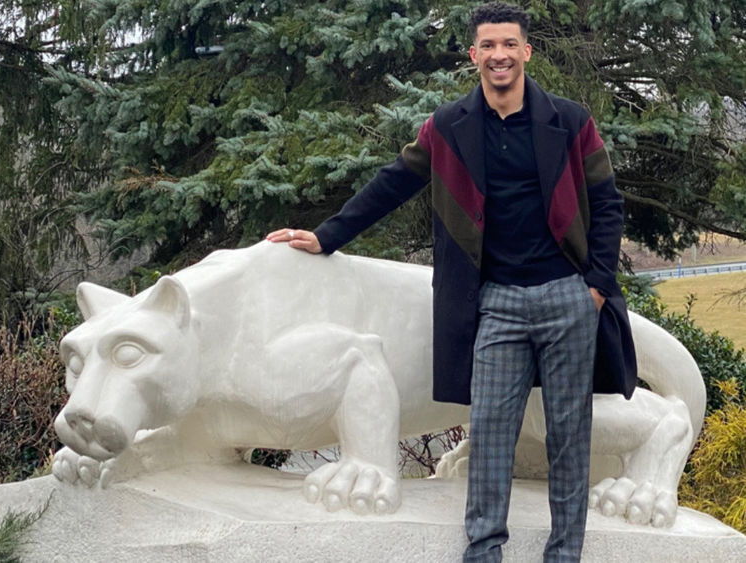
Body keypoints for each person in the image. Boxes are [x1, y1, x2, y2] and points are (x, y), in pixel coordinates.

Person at [267, 2, 634, 561]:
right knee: (488, 436)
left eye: (509, 44)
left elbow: (607, 204)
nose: (499, 55)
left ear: (526, 51)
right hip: (496, 304)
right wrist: (325, 236)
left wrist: (596, 286)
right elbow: (392, 183)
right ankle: (484, 550)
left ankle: (565, 552)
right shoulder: (447, 127)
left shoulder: (571, 121)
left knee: (567, 437)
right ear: (474, 55)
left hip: (567, 297)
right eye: (488, 46)